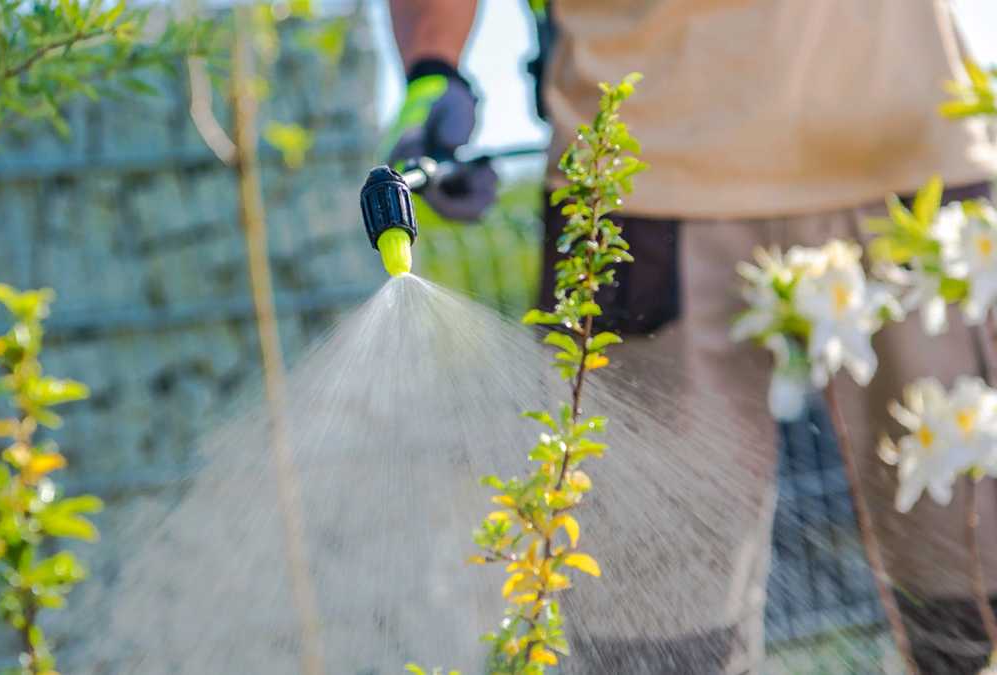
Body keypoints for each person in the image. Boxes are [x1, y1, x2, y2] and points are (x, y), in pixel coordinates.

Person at [383, 1, 997, 673]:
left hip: (918, 168)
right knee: (655, 634)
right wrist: (432, 67)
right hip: (634, 189)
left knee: (977, 580)